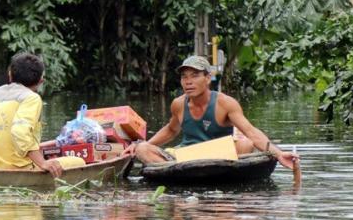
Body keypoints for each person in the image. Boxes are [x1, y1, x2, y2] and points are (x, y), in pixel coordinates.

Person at [127, 55, 298, 169]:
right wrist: (145, 145)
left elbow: (251, 132)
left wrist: (279, 153)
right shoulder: (178, 104)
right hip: (186, 157)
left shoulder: (225, 103)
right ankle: (181, 174)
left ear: (208, 78)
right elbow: (171, 130)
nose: (188, 82)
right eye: (184, 77)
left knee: (246, 143)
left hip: (218, 157)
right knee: (142, 149)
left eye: (194, 76)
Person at [0, 52, 66, 177]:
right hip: (16, 168)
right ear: (41, 81)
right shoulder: (32, 98)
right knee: (78, 161)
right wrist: (43, 163)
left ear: (10, 75)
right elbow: (20, 132)